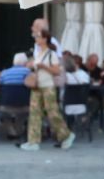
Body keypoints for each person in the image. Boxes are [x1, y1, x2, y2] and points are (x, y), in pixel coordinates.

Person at [23, 17, 75, 152]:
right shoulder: (37, 49)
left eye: (35, 27)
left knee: (52, 112)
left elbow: (57, 69)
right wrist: (32, 64)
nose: (32, 29)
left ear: (43, 34)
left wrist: (42, 66)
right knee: (34, 113)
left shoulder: (52, 49)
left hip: (48, 85)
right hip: (37, 85)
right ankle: (33, 141)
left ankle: (66, 135)